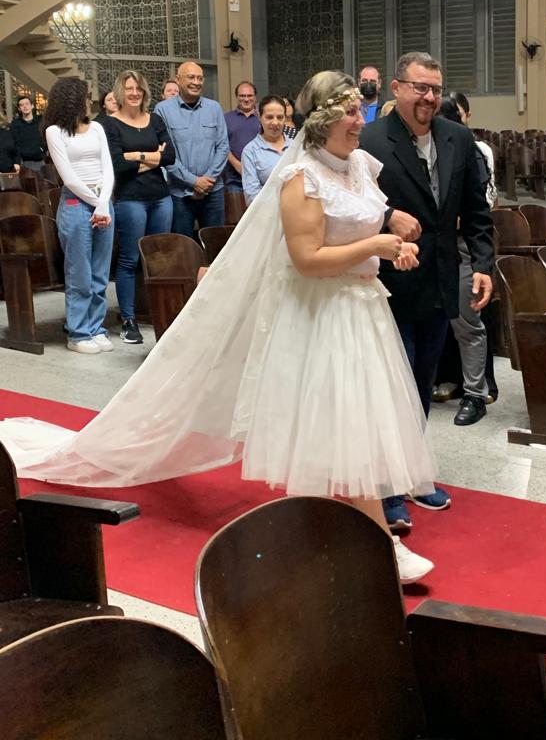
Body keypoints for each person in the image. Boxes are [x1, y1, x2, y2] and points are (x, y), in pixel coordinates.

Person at [0, 70, 436, 585]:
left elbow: (358, 217)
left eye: (358, 110)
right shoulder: (301, 178)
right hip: (320, 311)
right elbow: (307, 258)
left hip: (363, 308)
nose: (359, 119)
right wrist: (376, 246)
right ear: (323, 119)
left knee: (352, 422)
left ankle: (338, 535)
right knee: (337, 424)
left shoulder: (361, 164)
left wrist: (393, 236)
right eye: (348, 111)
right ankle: (373, 541)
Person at [359, 52, 494, 528]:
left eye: (435, 89)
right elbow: (346, 206)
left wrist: (483, 264)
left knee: (420, 381)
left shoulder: (458, 137)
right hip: (389, 283)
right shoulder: (370, 140)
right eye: (420, 87)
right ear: (396, 88)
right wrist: (385, 216)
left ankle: (412, 471)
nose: (429, 97)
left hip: (439, 279)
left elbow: (475, 210)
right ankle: (387, 488)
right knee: (391, 386)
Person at [435, 93, 496, 427]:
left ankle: (475, 393)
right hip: (423, 245)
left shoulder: (469, 150)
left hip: (460, 246)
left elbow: (478, 207)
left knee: (467, 322)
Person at [103, 70, 175, 346]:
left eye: (138, 89)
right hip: (130, 199)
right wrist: (153, 157)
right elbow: (117, 165)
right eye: (129, 88)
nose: (134, 93)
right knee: (129, 259)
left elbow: (170, 156)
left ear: (144, 92)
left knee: (158, 259)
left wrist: (135, 155)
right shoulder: (109, 124)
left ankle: (160, 312)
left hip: (161, 197)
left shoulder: (154, 119)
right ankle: (129, 320)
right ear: (120, 93)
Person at [43, 77, 114, 355]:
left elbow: (107, 168)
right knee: (79, 273)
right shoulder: (54, 132)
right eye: (86, 96)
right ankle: (78, 333)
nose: (90, 101)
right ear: (72, 99)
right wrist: (97, 203)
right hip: (76, 204)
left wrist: (104, 203)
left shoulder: (97, 128)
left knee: (99, 273)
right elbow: (69, 178)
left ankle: (96, 328)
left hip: (103, 203)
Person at [155, 61, 229, 238]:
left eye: (200, 78)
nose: (196, 82)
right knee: (182, 247)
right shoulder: (162, 110)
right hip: (180, 194)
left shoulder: (214, 108)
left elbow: (223, 146)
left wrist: (207, 181)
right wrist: (194, 181)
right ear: (178, 79)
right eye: (191, 77)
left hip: (213, 191)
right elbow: (166, 154)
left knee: (215, 245)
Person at [241, 95, 288, 204]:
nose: (275, 122)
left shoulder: (296, 146)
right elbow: (251, 196)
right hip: (267, 211)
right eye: (269, 117)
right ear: (260, 117)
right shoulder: (250, 151)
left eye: (280, 117)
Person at [223, 81, 261, 193]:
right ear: (236, 97)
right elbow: (222, 145)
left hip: (261, 179)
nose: (246, 99)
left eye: (250, 95)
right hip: (235, 181)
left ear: (255, 97)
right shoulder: (226, 118)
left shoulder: (263, 118)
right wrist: (237, 165)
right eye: (242, 96)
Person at [11, 96, 45, 171]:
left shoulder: (40, 121)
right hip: (24, 161)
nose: (25, 106)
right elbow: (15, 143)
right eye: (22, 105)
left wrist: (43, 149)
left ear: (32, 106)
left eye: (27, 104)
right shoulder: (15, 124)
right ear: (19, 109)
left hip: (41, 159)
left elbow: (46, 136)